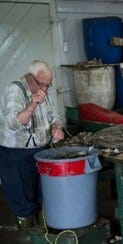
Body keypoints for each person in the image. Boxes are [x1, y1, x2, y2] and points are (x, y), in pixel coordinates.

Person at [0, 60, 64, 240]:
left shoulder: (45, 91)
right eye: (42, 83)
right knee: (22, 199)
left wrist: (55, 128)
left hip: (40, 152)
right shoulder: (15, 90)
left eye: (48, 84)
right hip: (16, 154)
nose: (45, 87)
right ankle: (26, 237)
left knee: (41, 195)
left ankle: (41, 237)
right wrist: (32, 104)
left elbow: (54, 116)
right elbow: (14, 123)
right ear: (30, 78)